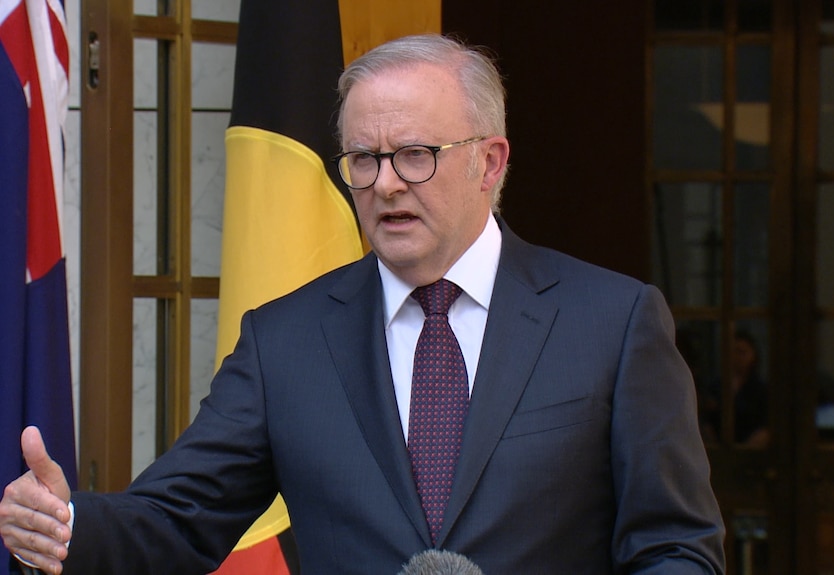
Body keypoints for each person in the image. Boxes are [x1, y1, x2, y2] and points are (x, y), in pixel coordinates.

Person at [0, 34, 725, 574]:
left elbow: (675, 546)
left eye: (414, 154)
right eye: (364, 160)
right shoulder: (285, 340)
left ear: (490, 161)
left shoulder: (613, 322)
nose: (384, 185)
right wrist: (67, 526)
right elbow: (177, 517)